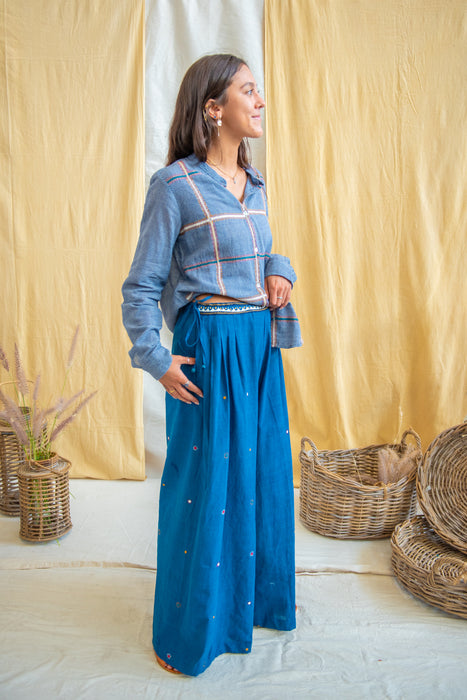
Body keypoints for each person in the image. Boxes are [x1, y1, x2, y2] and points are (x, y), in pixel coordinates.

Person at [121, 53, 302, 677]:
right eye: (249, 90)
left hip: (258, 349)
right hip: (208, 350)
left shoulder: (256, 184)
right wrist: (155, 358)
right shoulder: (174, 185)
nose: (261, 100)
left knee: (262, 476)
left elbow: (259, 254)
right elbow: (141, 286)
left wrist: (280, 270)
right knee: (203, 487)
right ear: (214, 109)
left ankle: (250, 606)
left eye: (259, 90)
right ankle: (189, 630)